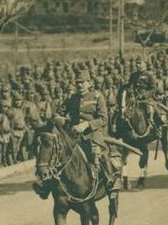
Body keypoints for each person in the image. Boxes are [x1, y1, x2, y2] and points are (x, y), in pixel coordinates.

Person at [32, 69, 119, 199]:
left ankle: (110, 183)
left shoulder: (97, 97)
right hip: (73, 137)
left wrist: (86, 125)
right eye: (77, 82)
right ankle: (46, 186)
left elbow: (104, 119)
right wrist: (59, 118)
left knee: (100, 155)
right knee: (57, 157)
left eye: (83, 82)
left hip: (92, 136)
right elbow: (58, 113)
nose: (79, 85)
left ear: (89, 83)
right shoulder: (72, 98)